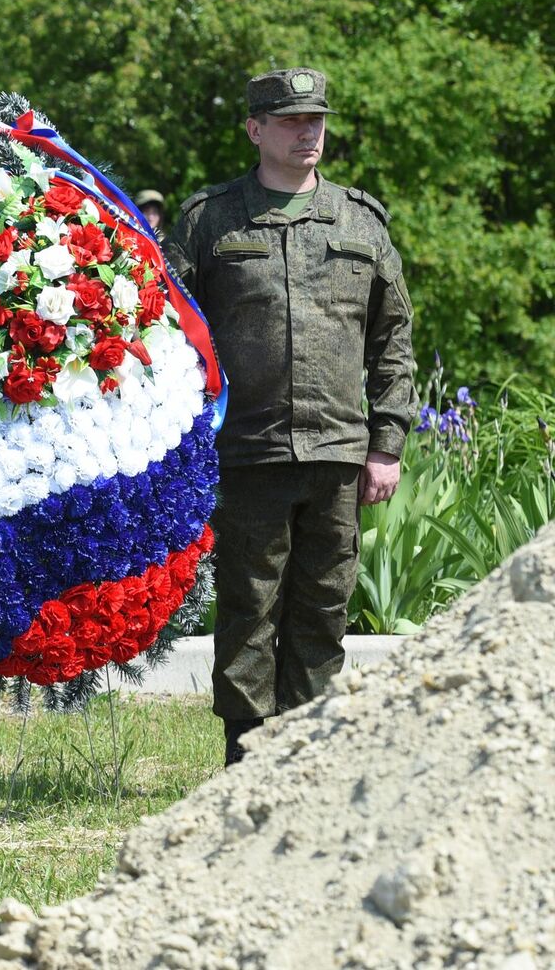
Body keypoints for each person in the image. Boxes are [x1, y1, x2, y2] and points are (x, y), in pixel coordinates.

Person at [163, 68, 416, 766]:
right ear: (255, 129)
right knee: (248, 611)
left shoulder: (360, 220)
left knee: (322, 613)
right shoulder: (210, 219)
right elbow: (167, 336)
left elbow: (392, 339)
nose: (309, 132)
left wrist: (386, 442)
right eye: (292, 120)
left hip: (337, 451)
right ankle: (246, 760)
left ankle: (306, 760)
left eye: (318, 120)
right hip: (247, 452)